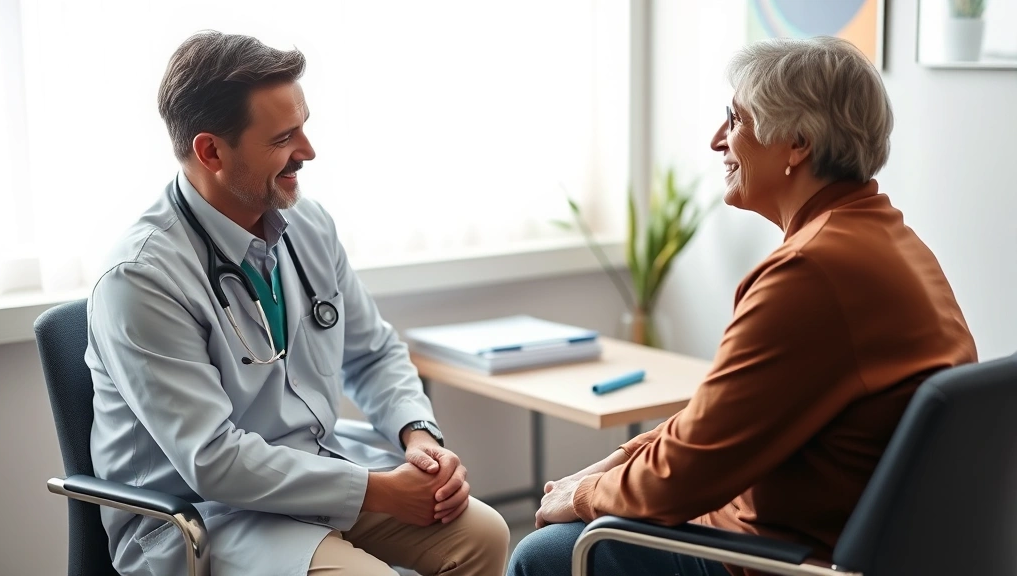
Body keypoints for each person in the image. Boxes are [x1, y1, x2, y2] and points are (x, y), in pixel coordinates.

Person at [507, 36, 977, 576]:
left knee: (542, 555)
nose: (717, 141)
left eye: (734, 119)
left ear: (796, 142)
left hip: (786, 557)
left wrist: (587, 493)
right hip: (870, 539)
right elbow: (719, 420)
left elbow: (682, 476)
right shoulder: (890, 239)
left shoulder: (808, 272)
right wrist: (620, 461)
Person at [86, 31, 509, 576]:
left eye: (304, 126)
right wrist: (376, 491)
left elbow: (373, 354)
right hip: (204, 516)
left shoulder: (306, 224)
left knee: (481, 535)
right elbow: (212, 461)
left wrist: (417, 435)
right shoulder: (140, 279)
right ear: (210, 150)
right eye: (284, 137)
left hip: (315, 476)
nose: (308, 151)